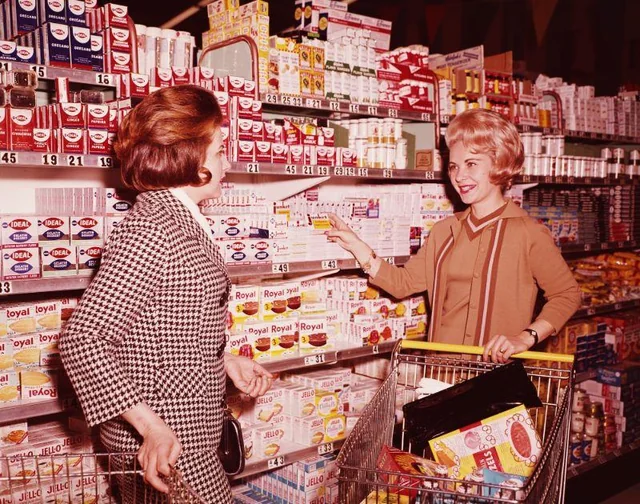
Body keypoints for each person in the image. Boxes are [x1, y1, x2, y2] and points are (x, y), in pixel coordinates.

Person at [60, 85, 273, 503]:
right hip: (170, 441)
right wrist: (152, 428)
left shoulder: (177, 218)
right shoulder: (151, 229)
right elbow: (82, 342)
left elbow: (160, 320)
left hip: (185, 428)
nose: (227, 161)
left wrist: (222, 361)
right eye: (219, 150)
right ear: (190, 157)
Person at [328, 109, 581, 363]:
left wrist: (526, 337)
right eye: (454, 166)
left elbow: (567, 294)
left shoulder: (528, 233)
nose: (459, 176)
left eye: (471, 164)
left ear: (500, 163)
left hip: (498, 382)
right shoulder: (443, 231)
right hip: (441, 375)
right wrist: (358, 247)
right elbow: (402, 283)